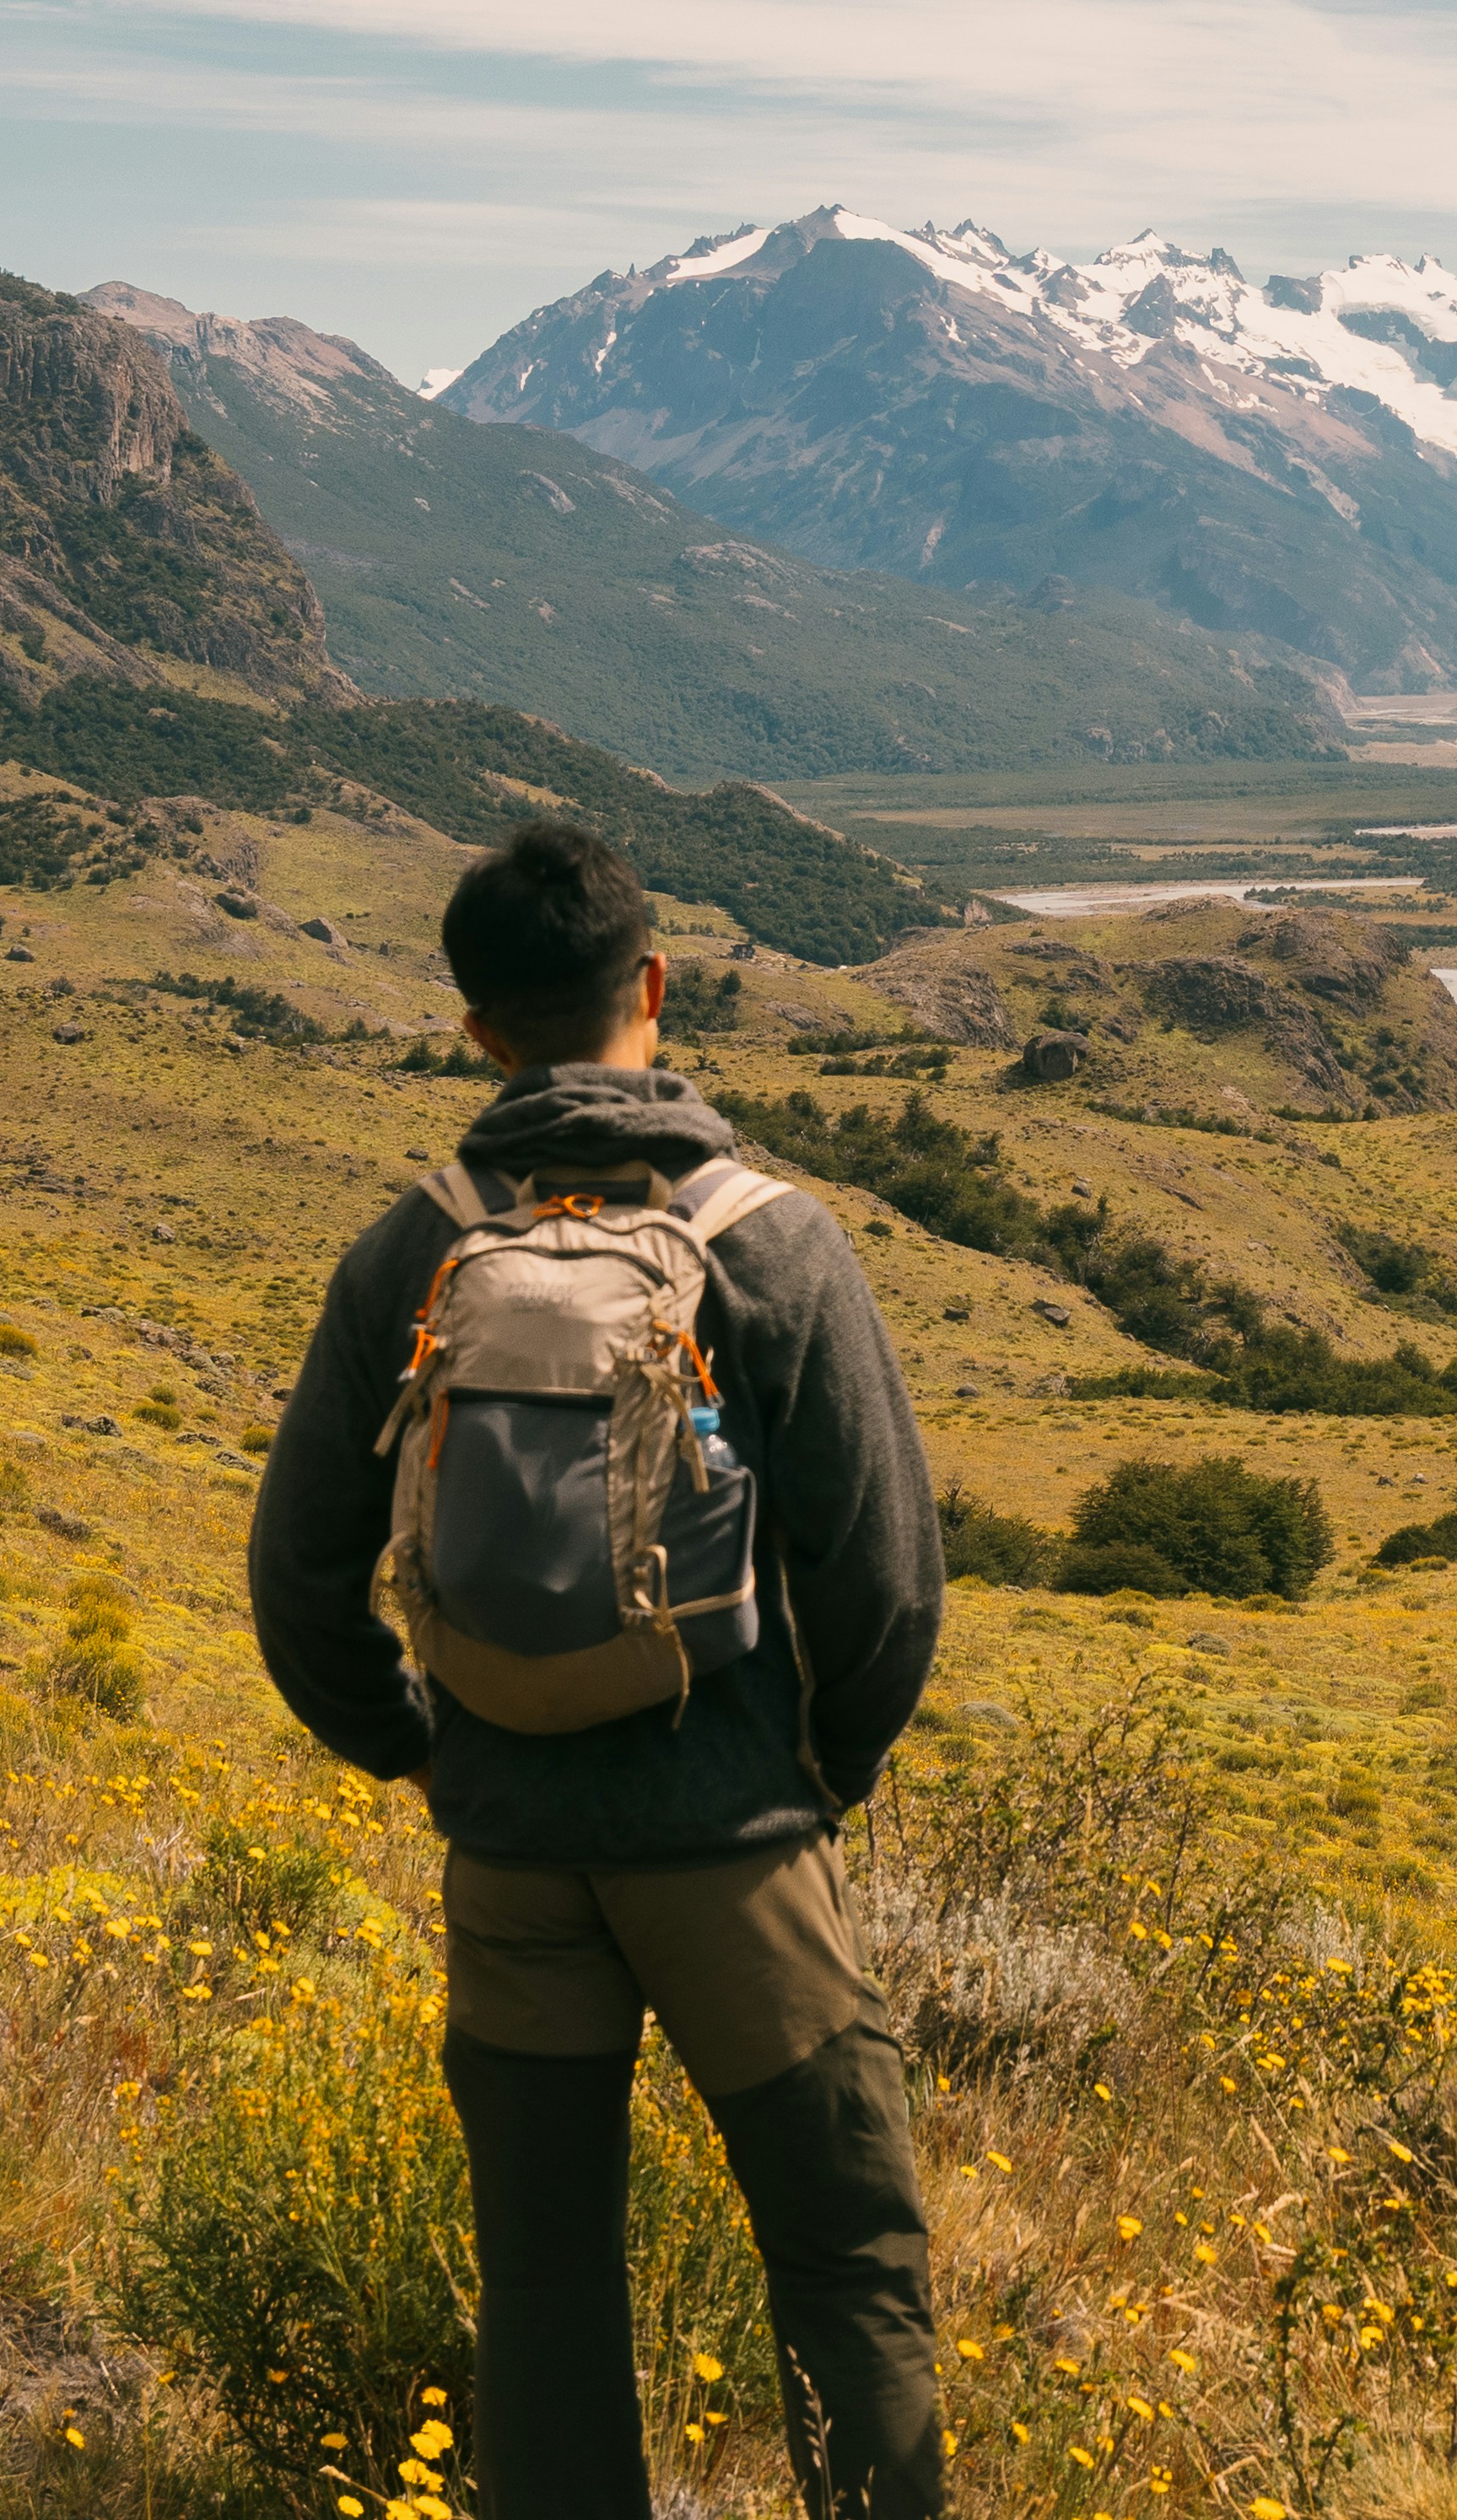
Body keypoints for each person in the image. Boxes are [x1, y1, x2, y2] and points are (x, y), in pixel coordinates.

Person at [249, 821, 948, 2520]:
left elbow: (296, 1578)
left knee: (548, 2280)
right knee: (845, 2250)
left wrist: (428, 1749)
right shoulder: (772, 1240)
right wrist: (802, 1773)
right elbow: (886, 1586)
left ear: (479, 1025)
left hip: (510, 1855)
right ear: (655, 984)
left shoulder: (412, 1246)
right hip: (734, 1849)